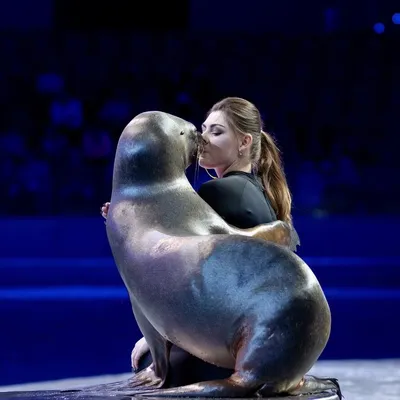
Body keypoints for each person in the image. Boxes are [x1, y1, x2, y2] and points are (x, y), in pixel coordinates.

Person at [100, 97, 297, 386]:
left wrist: (162, 337)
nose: (203, 138)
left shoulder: (220, 193)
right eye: (203, 129)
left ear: (244, 142)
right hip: (259, 334)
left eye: (217, 132)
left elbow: (179, 276)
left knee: (149, 362)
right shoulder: (251, 189)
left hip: (238, 343)